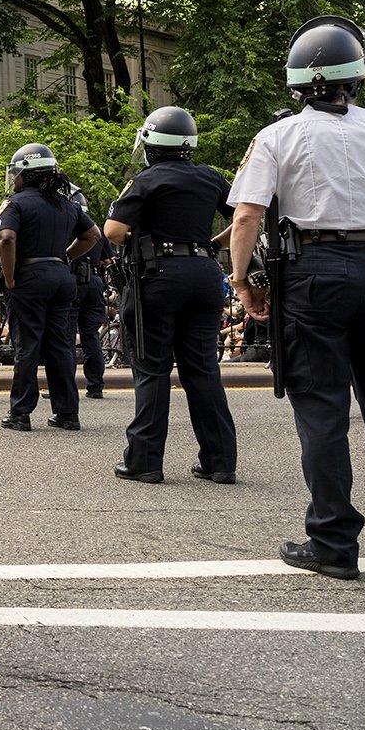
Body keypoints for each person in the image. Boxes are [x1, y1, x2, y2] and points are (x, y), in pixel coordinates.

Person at [228, 16, 365, 580]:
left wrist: (241, 281)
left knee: (322, 408)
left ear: (297, 82)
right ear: (359, 77)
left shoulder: (277, 136)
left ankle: (332, 543)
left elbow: (248, 216)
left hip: (314, 272)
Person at [103, 106, 238, 485]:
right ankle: (219, 460)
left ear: (151, 144)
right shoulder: (211, 177)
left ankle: (145, 460)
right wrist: (212, 243)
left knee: (152, 368)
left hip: (157, 277)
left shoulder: (146, 180)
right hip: (203, 273)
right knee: (203, 370)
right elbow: (244, 215)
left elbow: (113, 231)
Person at [0, 143, 100, 433]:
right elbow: (93, 235)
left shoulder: (15, 203)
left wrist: (9, 277)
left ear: (26, 174)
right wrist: (65, 255)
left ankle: (20, 413)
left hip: (29, 276)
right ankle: (67, 413)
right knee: (61, 346)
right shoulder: (68, 204)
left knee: (27, 345)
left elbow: (6, 238)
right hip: (61, 276)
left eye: (16, 173)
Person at [67, 188, 112, 400]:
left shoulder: (66, 225)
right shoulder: (97, 229)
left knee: (65, 336)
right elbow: (107, 260)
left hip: (72, 280)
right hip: (94, 281)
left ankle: (65, 386)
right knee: (91, 335)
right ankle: (95, 386)